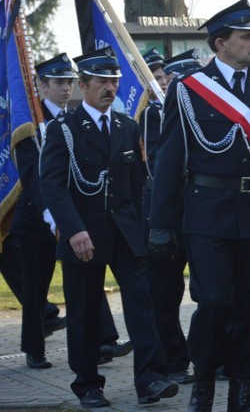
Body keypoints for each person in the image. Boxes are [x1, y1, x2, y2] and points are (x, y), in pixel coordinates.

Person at [149, 0, 250, 412]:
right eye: (246, 37)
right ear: (220, 43)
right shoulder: (190, 91)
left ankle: (244, 390)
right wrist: (161, 222)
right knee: (212, 303)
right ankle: (203, 383)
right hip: (208, 215)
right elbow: (170, 159)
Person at [39, 46, 178, 409]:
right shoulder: (64, 130)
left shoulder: (126, 126)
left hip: (126, 233)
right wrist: (73, 230)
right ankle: (87, 384)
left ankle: (150, 379)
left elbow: (136, 184)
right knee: (84, 312)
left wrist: (143, 226)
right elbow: (52, 184)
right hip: (82, 234)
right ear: (83, 86)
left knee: (142, 305)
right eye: (102, 82)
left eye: (114, 82)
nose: (110, 89)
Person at [11, 53, 77, 369]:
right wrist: (50, 213)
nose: (66, 88)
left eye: (69, 82)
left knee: (82, 281)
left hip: (70, 216)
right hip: (37, 218)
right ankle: (34, 350)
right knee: (36, 287)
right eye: (59, 82)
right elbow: (32, 177)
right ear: (42, 85)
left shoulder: (71, 121)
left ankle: (101, 341)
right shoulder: (31, 126)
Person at [141, 47, 193, 385]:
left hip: (203, 214)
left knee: (213, 293)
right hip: (170, 216)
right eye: (161, 78)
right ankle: (174, 358)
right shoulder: (152, 115)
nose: (164, 82)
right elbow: (155, 165)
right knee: (166, 294)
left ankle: (215, 356)